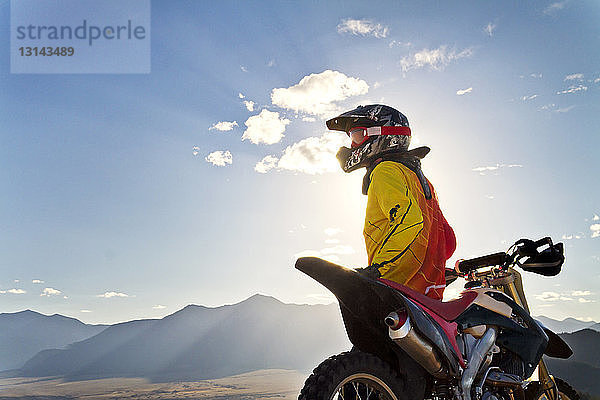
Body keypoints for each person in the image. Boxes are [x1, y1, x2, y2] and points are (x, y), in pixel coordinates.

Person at [327, 104, 456, 300]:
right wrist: (430, 270)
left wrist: (377, 271)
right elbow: (448, 241)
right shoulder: (417, 178)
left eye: (357, 135)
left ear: (382, 135)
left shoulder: (384, 171)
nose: (353, 145)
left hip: (397, 292)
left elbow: (409, 220)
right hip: (428, 296)